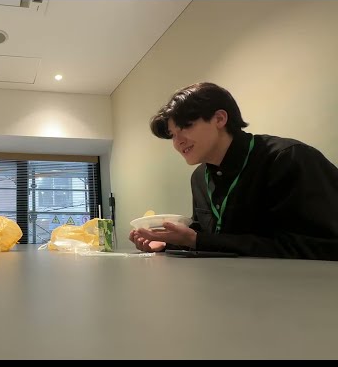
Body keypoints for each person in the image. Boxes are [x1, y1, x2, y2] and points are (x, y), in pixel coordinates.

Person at [129, 82, 338, 260]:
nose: (178, 141)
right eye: (173, 135)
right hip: (230, 288)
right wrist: (168, 242)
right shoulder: (200, 177)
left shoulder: (287, 158)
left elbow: (321, 247)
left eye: (186, 126)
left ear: (220, 119)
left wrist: (196, 240)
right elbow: (212, 236)